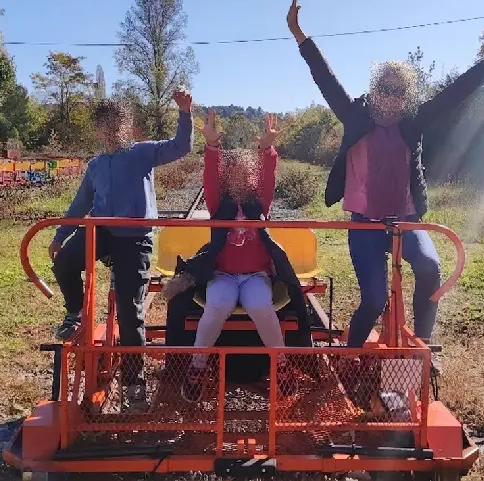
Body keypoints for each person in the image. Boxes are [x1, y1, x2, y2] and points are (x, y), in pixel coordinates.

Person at [287, 0, 484, 366]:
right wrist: (299, 34)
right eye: (385, 88)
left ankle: (423, 347)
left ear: (407, 95)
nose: (392, 97)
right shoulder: (355, 115)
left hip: (405, 220)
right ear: (375, 88)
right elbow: (325, 79)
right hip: (364, 226)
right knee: (374, 299)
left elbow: (458, 91)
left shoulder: (414, 122)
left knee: (430, 268)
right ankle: (349, 357)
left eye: (399, 91)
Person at [48, 90, 193, 410]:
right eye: (104, 126)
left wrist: (184, 113)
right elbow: (80, 203)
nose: (109, 132)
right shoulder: (97, 165)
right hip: (101, 232)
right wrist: (61, 235)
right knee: (64, 264)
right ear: (98, 130)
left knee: (129, 312)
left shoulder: (143, 153)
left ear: (125, 126)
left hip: (135, 238)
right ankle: (75, 313)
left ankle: (133, 382)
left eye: (115, 125)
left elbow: (181, 146)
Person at [162, 111, 302, 402]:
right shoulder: (218, 204)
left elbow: (269, 177)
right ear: (228, 176)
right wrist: (212, 147)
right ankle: (197, 367)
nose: (240, 174)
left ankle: (282, 365)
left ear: (252, 175)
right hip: (222, 274)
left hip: (255, 276)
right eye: (233, 170)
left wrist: (266, 150)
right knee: (217, 305)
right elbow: (210, 178)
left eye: (245, 171)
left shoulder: (258, 203)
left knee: (261, 306)